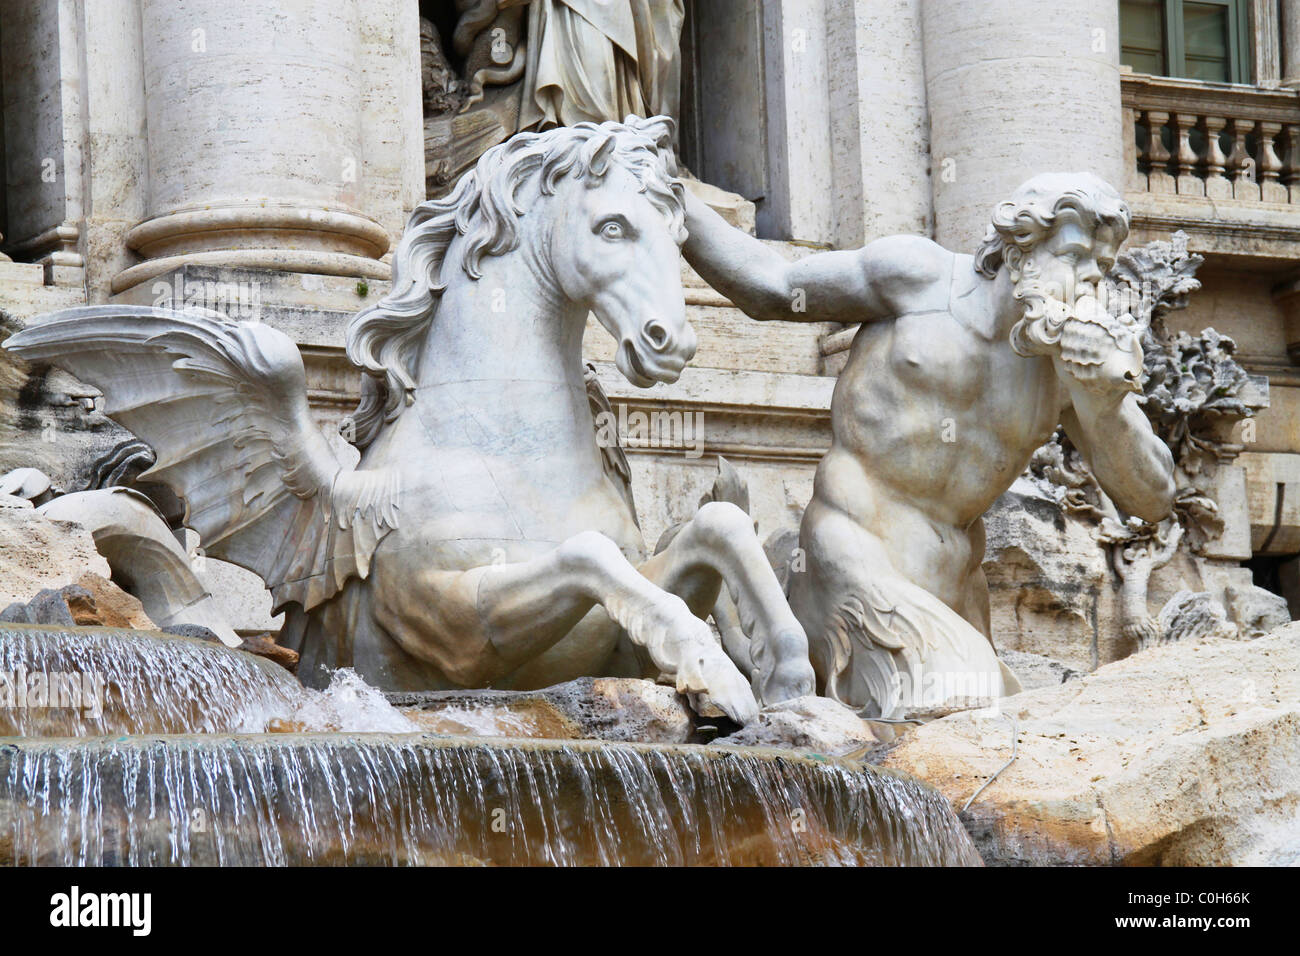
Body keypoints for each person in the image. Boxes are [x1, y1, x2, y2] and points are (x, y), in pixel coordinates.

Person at [681, 173, 1176, 716]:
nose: (1089, 283)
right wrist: (665, 197)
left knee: (998, 735)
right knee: (965, 707)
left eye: (1102, 269)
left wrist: (1103, 405)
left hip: (957, 593)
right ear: (1020, 247)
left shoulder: (1067, 371)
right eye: (1076, 256)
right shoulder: (919, 278)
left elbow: (1153, 499)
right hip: (853, 557)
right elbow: (772, 286)